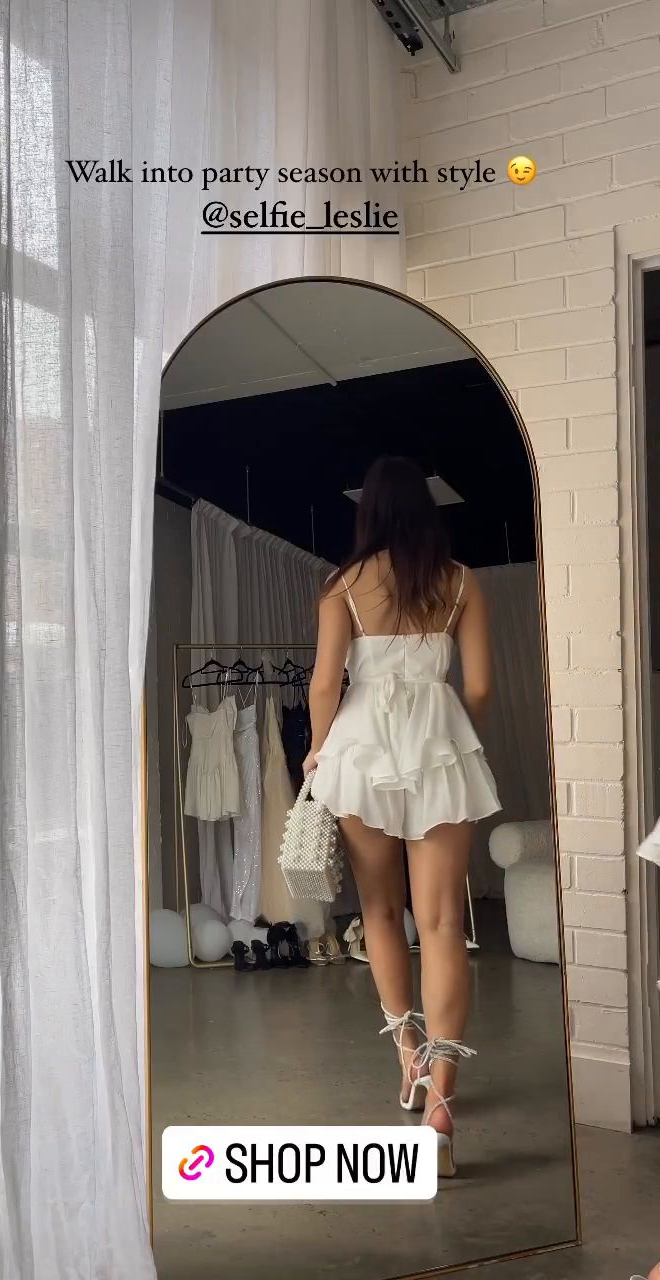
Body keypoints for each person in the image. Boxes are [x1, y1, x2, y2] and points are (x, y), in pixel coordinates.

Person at [303, 456, 501, 1178]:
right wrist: (446, 725)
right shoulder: (461, 581)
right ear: (426, 508)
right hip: (439, 745)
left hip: (361, 749)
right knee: (443, 922)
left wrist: (317, 749)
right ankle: (443, 1105)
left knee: (382, 913)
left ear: (371, 513)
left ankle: (409, 1058)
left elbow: (326, 683)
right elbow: (480, 686)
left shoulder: (343, 586)